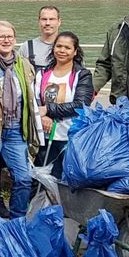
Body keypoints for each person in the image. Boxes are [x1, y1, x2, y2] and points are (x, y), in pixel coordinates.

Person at [0, 21, 42, 218]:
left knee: (24, 178)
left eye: (9, 36)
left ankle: (17, 219)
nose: (6, 40)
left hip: (16, 129)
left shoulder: (23, 64)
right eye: (1, 36)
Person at [35, 31, 93, 179]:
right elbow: (34, 101)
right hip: (44, 136)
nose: (62, 50)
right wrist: (42, 116)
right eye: (58, 46)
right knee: (43, 178)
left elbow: (80, 105)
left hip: (69, 136)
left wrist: (48, 110)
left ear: (75, 52)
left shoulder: (82, 75)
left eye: (67, 48)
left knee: (66, 178)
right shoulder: (42, 73)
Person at [19, 6, 61, 70]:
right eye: (44, 19)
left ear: (59, 22)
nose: (47, 23)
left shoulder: (68, 47)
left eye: (52, 19)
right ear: (39, 21)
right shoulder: (26, 47)